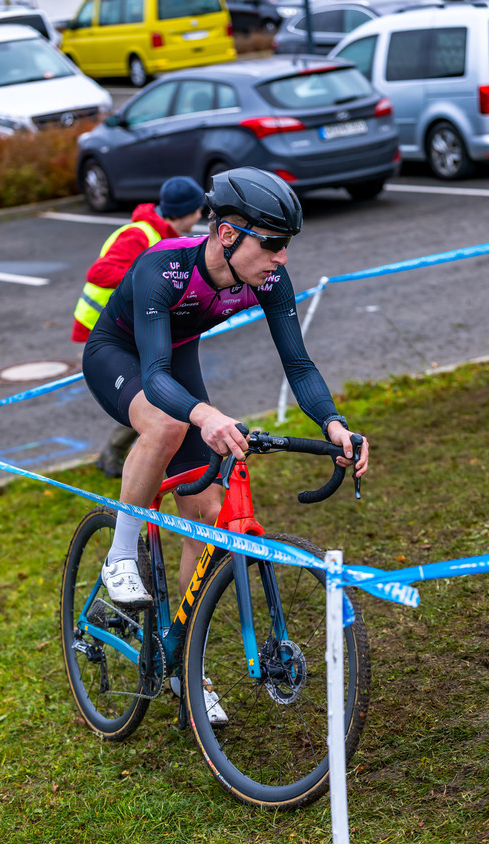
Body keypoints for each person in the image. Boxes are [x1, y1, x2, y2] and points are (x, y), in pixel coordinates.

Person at [82, 165, 369, 606]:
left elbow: (298, 363)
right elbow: (156, 375)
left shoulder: (269, 278)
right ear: (228, 234)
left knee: (207, 521)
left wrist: (333, 423)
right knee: (166, 426)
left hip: (176, 353)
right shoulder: (165, 266)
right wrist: (205, 415)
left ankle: (180, 658)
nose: (282, 258)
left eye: (286, 245)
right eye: (272, 244)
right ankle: (119, 556)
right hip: (118, 352)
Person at [72, 176, 205, 477]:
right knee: (154, 393)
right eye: (198, 210)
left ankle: (118, 455)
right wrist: (146, 281)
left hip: (135, 327)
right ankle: (117, 455)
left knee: (154, 393)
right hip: (109, 330)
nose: (200, 217)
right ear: (183, 212)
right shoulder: (140, 234)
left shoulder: (164, 236)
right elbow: (99, 271)